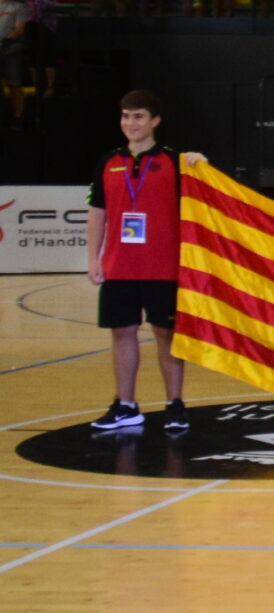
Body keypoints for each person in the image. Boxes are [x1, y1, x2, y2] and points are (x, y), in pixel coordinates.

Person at [85, 92, 198, 434]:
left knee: (167, 334)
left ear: (155, 121)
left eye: (138, 116)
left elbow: (206, 196)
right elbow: (97, 212)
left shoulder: (176, 161)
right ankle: (126, 405)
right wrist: (93, 258)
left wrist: (201, 163)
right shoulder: (108, 162)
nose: (130, 123)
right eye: (125, 116)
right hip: (120, 265)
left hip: (164, 266)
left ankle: (175, 404)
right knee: (122, 333)